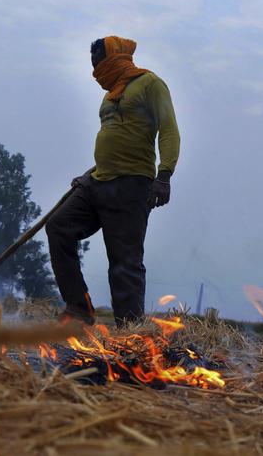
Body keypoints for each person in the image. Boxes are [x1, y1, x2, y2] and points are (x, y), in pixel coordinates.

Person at [46, 36, 179, 327]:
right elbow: (116, 141)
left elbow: (168, 130)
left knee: (124, 261)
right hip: (97, 182)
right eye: (92, 65)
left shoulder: (150, 84)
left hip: (131, 185)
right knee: (58, 227)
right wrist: (87, 177)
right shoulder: (111, 95)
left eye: (98, 63)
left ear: (113, 59)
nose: (95, 71)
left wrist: (164, 176)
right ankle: (79, 308)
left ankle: (130, 335)